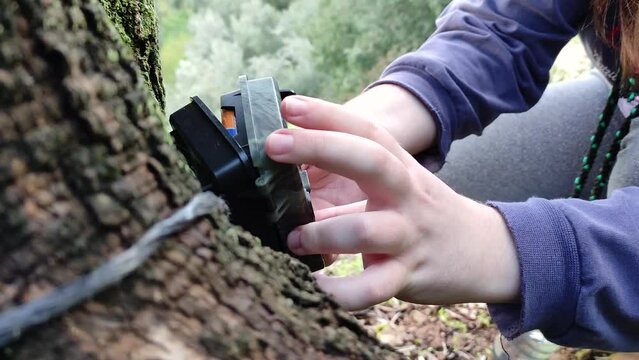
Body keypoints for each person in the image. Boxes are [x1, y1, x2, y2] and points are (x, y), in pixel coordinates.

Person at [265, 0, 639, 351]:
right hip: (622, 97)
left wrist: (506, 249)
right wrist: (381, 123)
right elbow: (507, 22)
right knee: (419, 189)